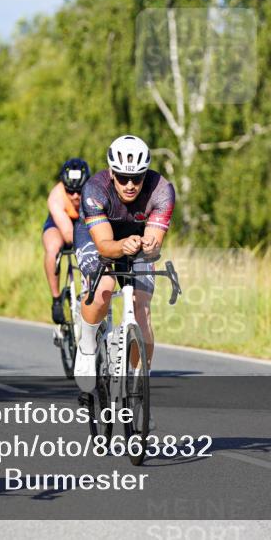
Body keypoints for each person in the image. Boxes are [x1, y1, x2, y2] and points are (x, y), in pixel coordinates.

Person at [72, 135, 175, 398]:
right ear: (111, 172)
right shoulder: (95, 189)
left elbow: (154, 241)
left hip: (136, 239)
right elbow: (106, 245)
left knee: (143, 309)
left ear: (145, 174)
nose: (130, 185)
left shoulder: (162, 190)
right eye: (122, 177)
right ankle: (86, 347)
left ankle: (140, 385)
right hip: (97, 236)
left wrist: (151, 246)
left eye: (137, 178)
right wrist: (122, 246)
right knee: (104, 288)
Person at [42, 158, 90, 324]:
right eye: (70, 191)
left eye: (79, 190)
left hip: (84, 222)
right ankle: (56, 300)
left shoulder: (94, 191)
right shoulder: (56, 197)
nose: (75, 196)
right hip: (60, 224)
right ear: (64, 186)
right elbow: (69, 233)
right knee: (54, 248)